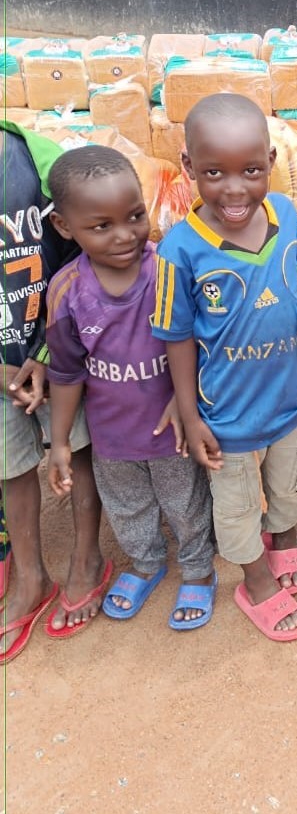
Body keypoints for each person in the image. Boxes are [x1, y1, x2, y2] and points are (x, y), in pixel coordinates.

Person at [152, 94, 297, 642]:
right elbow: (175, 337)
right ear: (188, 168)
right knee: (238, 505)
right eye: (214, 173)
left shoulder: (288, 215)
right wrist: (191, 413)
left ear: (270, 162)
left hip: (292, 397)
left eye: (250, 171)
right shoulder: (179, 251)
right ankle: (254, 578)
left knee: (289, 485)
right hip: (229, 417)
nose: (234, 189)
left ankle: (285, 533)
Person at [45, 145, 217, 630]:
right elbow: (65, 372)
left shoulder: (168, 270)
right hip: (112, 435)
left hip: (173, 430)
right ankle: (145, 561)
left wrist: (182, 403)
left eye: (135, 216)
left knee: (185, 502)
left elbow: (202, 342)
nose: (125, 235)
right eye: (101, 226)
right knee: (127, 505)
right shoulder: (67, 291)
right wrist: (59, 442)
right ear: (64, 227)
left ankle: (199, 570)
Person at [0, 122, 108, 663]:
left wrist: (45, 354)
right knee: (10, 468)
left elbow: (79, 258)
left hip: (56, 350)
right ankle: (28, 575)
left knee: (77, 452)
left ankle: (86, 559)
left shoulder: (37, 163)